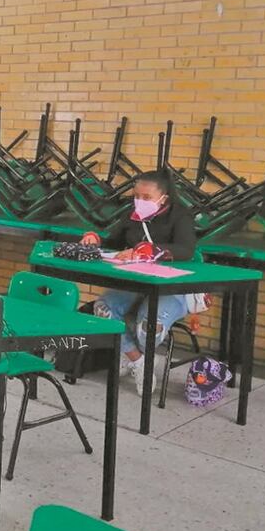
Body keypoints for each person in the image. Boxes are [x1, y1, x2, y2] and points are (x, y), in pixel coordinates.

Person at [79, 170, 200, 396]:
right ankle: (138, 361)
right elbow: (113, 241)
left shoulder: (181, 215)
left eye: (147, 197)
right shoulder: (133, 215)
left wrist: (147, 250)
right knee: (103, 308)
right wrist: (95, 239)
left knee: (149, 321)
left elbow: (186, 250)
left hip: (170, 286)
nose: (140, 202)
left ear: (164, 197)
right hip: (136, 282)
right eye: (137, 196)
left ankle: (136, 357)